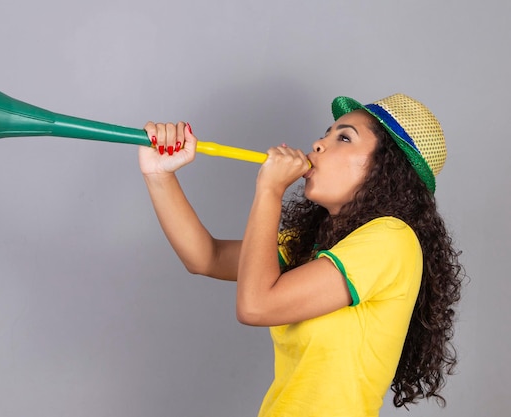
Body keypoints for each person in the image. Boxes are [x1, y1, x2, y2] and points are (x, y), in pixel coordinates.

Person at [138, 94, 464, 417]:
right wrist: (159, 175)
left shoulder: (391, 239)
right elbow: (207, 257)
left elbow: (256, 305)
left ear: (387, 169)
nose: (318, 144)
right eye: (326, 133)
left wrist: (269, 190)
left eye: (344, 137)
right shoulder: (315, 243)